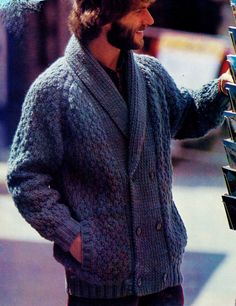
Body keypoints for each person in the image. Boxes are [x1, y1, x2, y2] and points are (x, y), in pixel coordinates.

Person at [7, 0, 233, 305]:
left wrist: (222, 87)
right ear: (104, 14)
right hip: (100, 289)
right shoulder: (53, 91)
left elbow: (186, 115)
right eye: (139, 8)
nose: (149, 18)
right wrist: (75, 239)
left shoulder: (150, 74)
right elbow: (25, 177)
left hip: (164, 282)